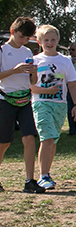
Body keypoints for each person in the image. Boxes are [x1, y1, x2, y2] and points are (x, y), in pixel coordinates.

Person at [30, 25, 76, 191]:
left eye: (52, 40)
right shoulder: (35, 61)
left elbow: (72, 84)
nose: (49, 43)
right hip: (40, 103)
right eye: (46, 40)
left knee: (53, 141)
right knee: (47, 138)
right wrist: (46, 91)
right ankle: (43, 176)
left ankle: (47, 172)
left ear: (58, 41)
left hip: (59, 105)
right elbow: (30, 86)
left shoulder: (65, 61)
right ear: (39, 42)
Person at [0, 16, 46, 193]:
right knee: (3, 142)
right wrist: (15, 70)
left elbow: (33, 80)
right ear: (13, 32)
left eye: (28, 39)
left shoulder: (28, 52)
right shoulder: (2, 51)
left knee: (29, 138)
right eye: (22, 37)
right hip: (5, 100)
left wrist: (34, 73)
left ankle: (30, 180)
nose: (25, 41)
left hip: (25, 100)